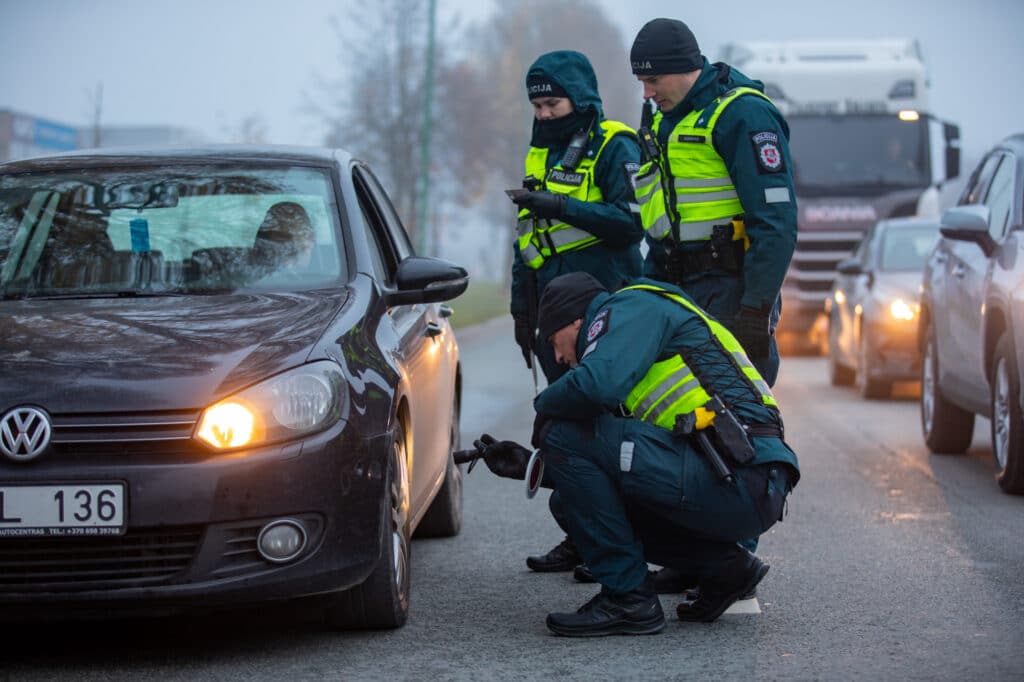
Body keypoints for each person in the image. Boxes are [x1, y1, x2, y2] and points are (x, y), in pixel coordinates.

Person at [463, 272, 799, 636]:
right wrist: (532, 466)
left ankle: (628, 599)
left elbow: (596, 388)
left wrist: (543, 406)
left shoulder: (632, 307)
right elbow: (600, 472)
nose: (558, 356)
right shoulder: (628, 345)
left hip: (741, 472)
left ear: (578, 320)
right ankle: (724, 568)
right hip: (733, 478)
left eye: (554, 341)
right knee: (566, 503)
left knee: (562, 431)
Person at [508, 50, 644, 575]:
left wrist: (562, 207)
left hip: (605, 311)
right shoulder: (538, 154)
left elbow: (630, 223)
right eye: (537, 105)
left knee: (609, 432)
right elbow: (527, 238)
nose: (543, 115)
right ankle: (583, 533)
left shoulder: (615, 144)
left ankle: (621, 543)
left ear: (580, 99)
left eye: (553, 103)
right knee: (563, 428)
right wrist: (522, 311)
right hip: (550, 313)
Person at [629, 18, 797, 388]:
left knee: (737, 420)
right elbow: (665, 224)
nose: (647, 94)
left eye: (653, 81)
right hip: (678, 287)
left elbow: (776, 223)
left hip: (731, 290)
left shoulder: (744, 114)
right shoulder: (668, 124)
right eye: (642, 83)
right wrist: (644, 293)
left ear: (682, 68)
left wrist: (755, 310)